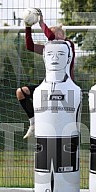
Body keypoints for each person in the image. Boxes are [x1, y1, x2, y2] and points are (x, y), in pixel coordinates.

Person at [16, 8, 76, 139]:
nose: (50, 41)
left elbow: (51, 36)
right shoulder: (48, 49)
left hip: (66, 88)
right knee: (21, 92)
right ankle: (33, 123)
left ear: (62, 36)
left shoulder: (68, 45)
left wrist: (41, 22)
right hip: (49, 86)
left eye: (55, 34)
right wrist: (27, 27)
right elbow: (30, 46)